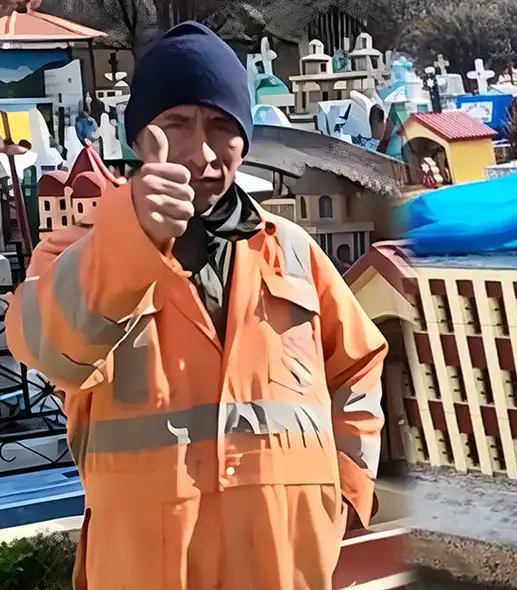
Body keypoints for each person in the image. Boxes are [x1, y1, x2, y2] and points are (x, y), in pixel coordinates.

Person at [5, 22, 387, 590]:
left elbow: (357, 367)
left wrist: (346, 493)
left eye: (221, 126)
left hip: (282, 570)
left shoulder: (292, 251)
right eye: (176, 124)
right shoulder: (80, 248)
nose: (201, 151)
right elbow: (46, 348)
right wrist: (131, 240)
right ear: (139, 139)